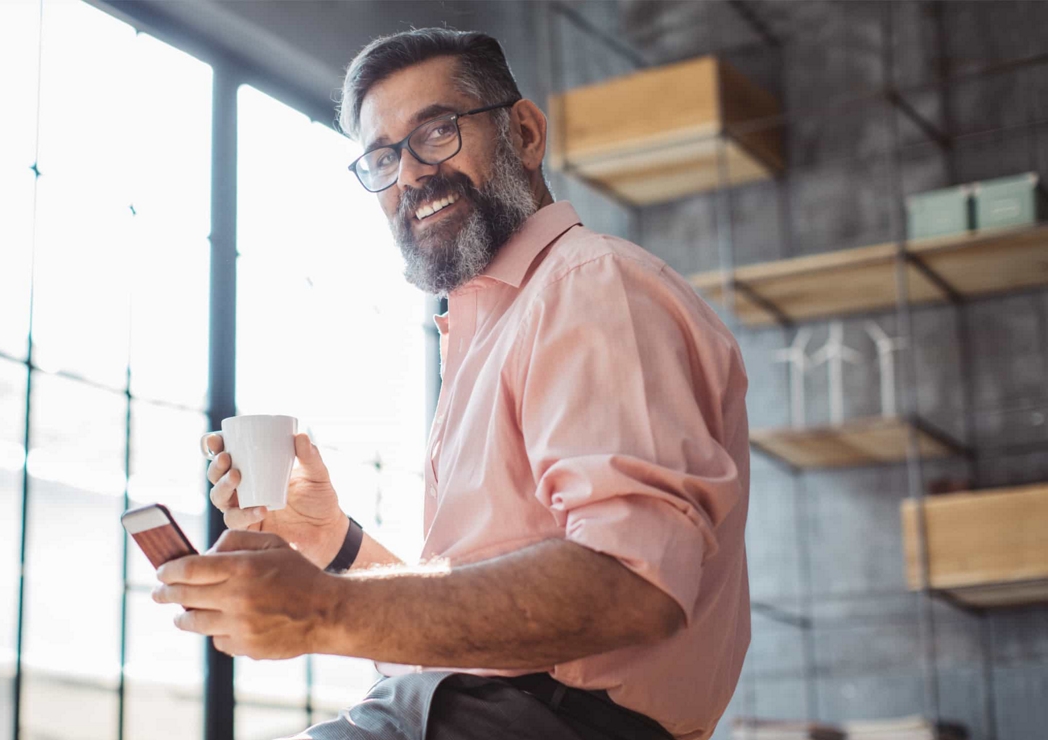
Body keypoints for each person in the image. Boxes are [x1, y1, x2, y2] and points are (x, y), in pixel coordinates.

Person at [154, 28, 751, 740]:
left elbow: (633, 582)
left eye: (435, 132)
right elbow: (480, 634)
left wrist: (322, 610)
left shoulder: (591, 285)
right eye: (381, 157)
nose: (408, 174)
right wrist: (335, 544)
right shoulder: (495, 324)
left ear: (524, 133)